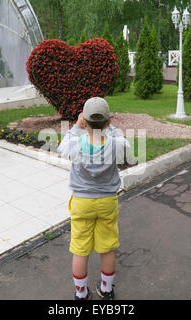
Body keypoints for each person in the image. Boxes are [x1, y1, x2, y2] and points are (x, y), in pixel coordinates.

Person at [57, 97, 130, 300]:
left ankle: (81, 293)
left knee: (80, 250)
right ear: (108, 122)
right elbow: (124, 144)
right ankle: (106, 290)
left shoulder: (75, 144)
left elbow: (63, 147)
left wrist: (76, 128)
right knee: (107, 248)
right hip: (107, 202)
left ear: (84, 121)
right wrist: (110, 129)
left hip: (82, 203)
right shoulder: (115, 144)